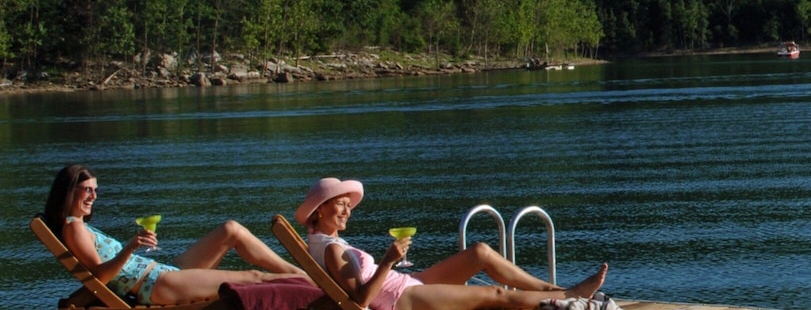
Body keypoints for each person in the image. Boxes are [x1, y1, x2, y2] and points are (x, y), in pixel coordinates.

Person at [298, 177, 607, 310]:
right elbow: (362, 301)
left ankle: (558, 291)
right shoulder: (331, 249)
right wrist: (390, 259)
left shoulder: (326, 243)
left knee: (480, 253)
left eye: (348, 205)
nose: (348, 210)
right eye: (340, 204)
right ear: (320, 208)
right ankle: (567, 298)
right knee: (493, 294)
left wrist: (392, 266)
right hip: (400, 301)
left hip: (406, 284)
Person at [39, 164, 308, 305]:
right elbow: (99, 277)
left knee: (231, 230)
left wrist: (133, 247)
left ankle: (303, 274)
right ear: (70, 191)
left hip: (162, 273)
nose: (94, 196)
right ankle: (313, 285)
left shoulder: (81, 226)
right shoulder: (74, 227)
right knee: (253, 278)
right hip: (156, 285)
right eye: (87, 190)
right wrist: (130, 247)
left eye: (95, 190)